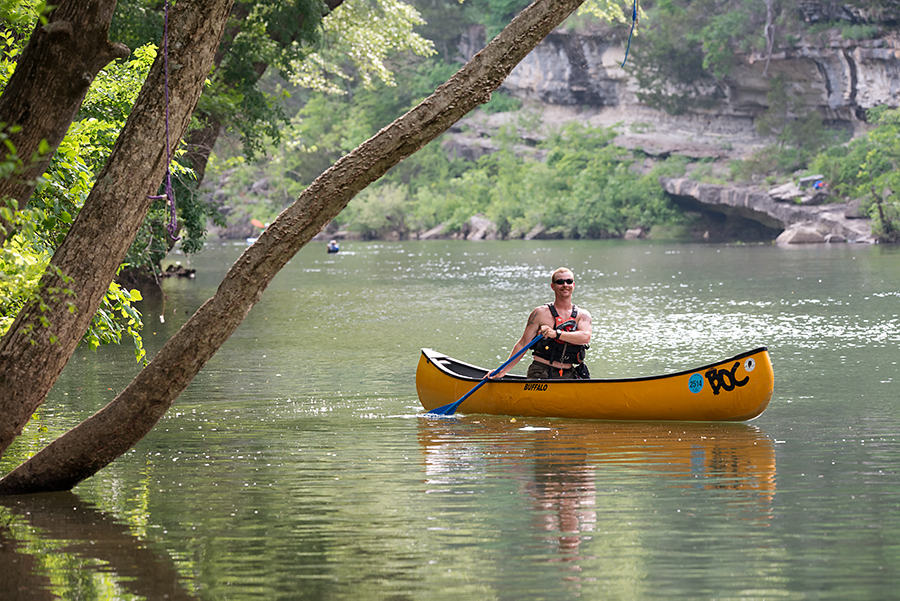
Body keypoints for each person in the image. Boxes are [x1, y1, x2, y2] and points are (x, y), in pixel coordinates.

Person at [488, 267, 592, 380]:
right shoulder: (540, 313)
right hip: (541, 372)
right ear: (553, 286)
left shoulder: (583, 315)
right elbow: (523, 344)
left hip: (569, 373)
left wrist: (555, 334)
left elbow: (585, 337)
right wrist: (502, 371)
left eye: (569, 281)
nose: (565, 285)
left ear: (573, 285)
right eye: (560, 282)